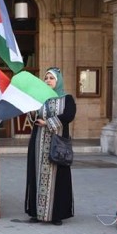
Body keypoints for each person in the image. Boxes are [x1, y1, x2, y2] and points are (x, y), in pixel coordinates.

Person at [25, 67, 76, 225]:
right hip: (38, 143)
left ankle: (56, 215)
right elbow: (32, 116)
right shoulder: (39, 98)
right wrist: (32, 111)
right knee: (36, 175)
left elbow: (69, 115)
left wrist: (48, 123)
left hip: (57, 144)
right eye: (46, 78)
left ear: (58, 80)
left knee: (58, 178)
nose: (48, 81)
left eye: (51, 78)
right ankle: (36, 212)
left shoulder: (66, 98)